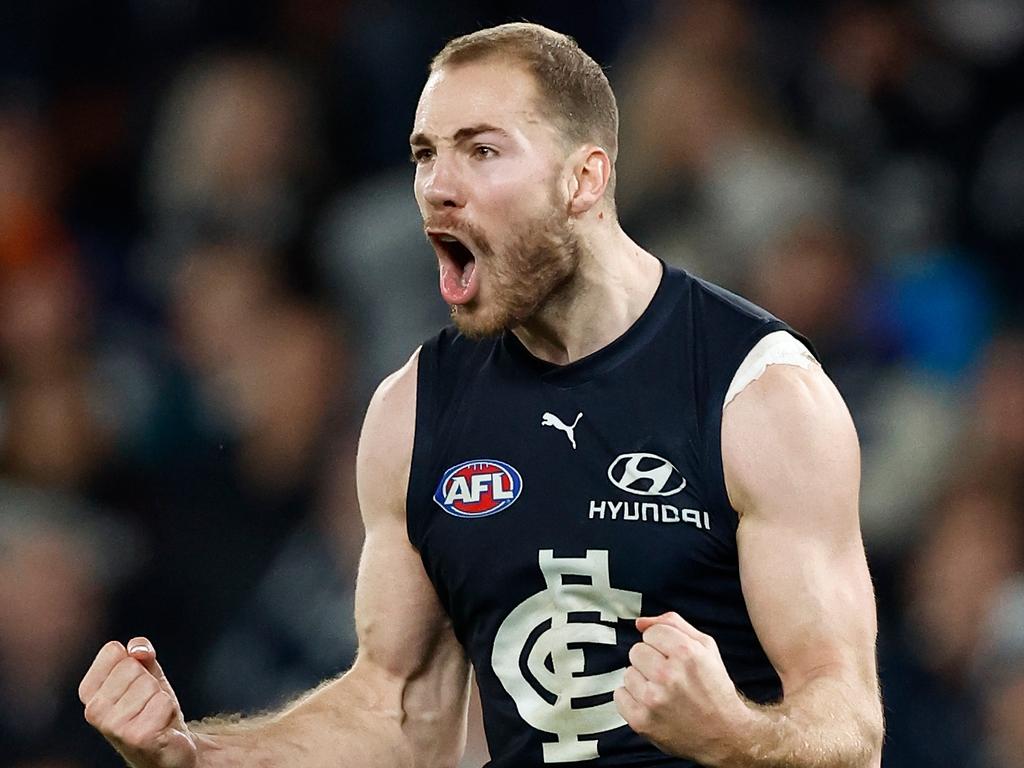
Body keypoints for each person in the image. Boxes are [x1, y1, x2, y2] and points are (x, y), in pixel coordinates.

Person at [79, 22, 884, 768]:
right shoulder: (414, 411)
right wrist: (193, 756)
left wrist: (731, 733)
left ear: (584, 179)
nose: (437, 187)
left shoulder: (759, 393)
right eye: (425, 154)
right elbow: (399, 710)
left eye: (481, 151)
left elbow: (852, 725)